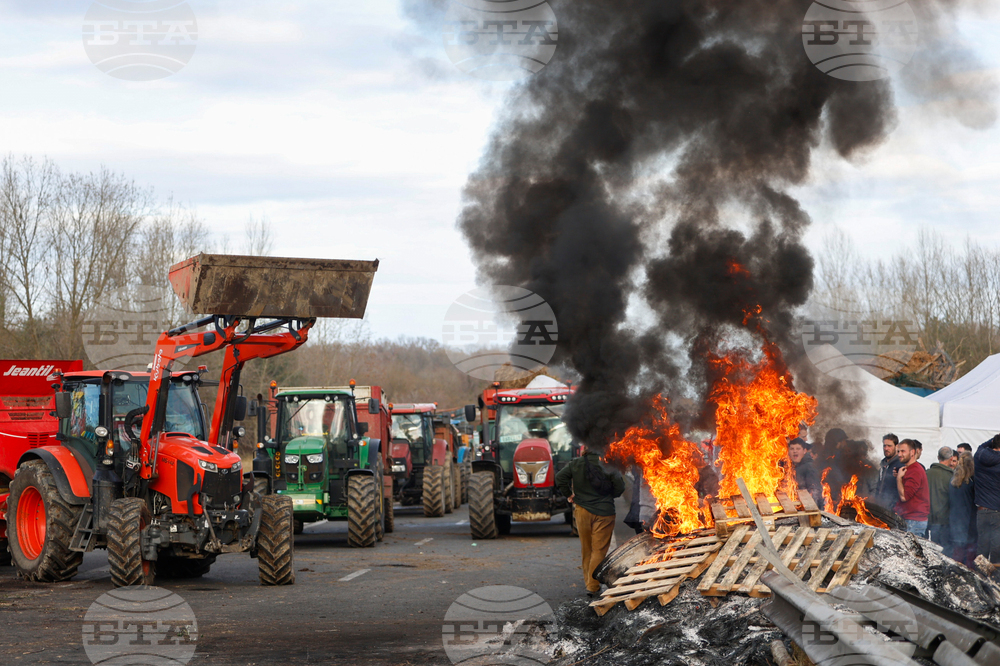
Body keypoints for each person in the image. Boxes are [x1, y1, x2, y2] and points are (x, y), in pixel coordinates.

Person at [555, 446, 625, 596]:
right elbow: (620, 486)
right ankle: (592, 586)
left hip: (582, 511)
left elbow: (560, 477)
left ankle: (589, 582)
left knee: (586, 549)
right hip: (604, 513)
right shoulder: (608, 463)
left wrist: (569, 494)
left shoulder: (576, 463)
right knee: (599, 550)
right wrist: (609, 496)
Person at [895, 439, 930, 537]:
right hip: (911, 520)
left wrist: (898, 478)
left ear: (912, 452)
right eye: (898, 451)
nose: (899, 454)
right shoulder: (909, 469)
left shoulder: (915, 471)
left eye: (903, 451)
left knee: (911, 552)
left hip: (914, 522)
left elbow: (904, 497)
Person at [974, 435, 1000, 564]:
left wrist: (992, 441)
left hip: (982, 510)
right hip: (997, 512)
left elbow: (981, 446)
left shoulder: (979, 456)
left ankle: (979, 579)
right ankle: (995, 580)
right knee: (997, 549)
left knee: (982, 548)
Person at [949, 452, 977, 566]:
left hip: (955, 519)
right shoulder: (971, 482)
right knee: (970, 554)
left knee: (957, 553)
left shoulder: (953, 481)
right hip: (969, 521)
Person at [926, 446, 954, 550]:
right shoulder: (951, 477)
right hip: (945, 521)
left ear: (938, 457)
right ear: (951, 459)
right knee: (945, 552)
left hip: (930, 519)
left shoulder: (927, 473)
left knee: (933, 551)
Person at [787, 439, 823, 508]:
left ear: (804, 451)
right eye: (792, 449)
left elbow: (815, 491)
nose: (795, 451)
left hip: (807, 509)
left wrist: (812, 511)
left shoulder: (810, 467)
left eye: (798, 449)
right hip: (794, 507)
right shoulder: (788, 467)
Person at [876, 434, 903, 508]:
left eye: (889, 446)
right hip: (880, 506)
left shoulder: (901, 465)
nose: (886, 448)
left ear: (897, 446)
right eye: (884, 446)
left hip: (894, 509)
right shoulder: (882, 465)